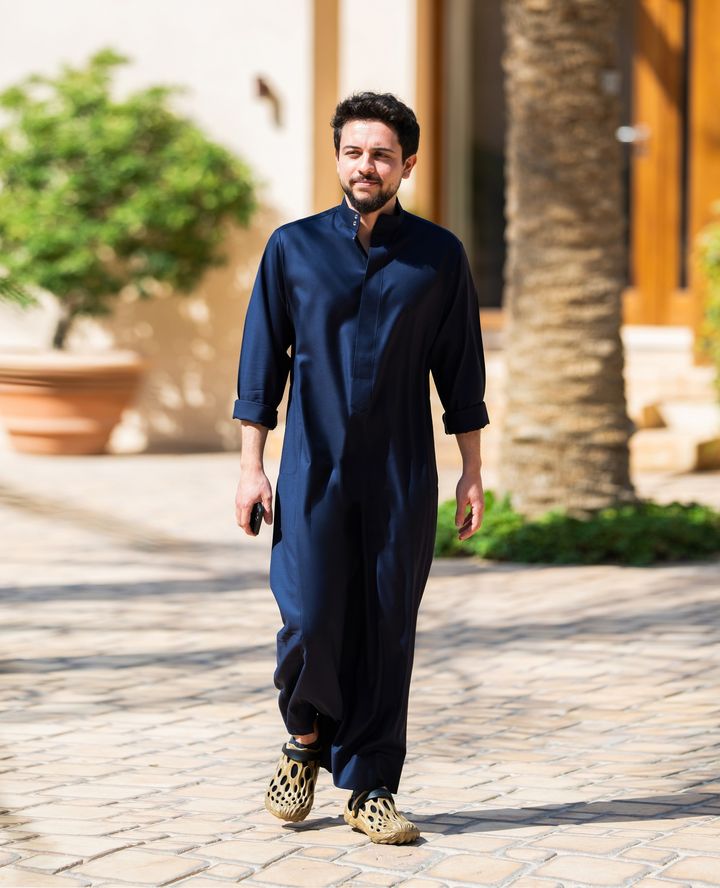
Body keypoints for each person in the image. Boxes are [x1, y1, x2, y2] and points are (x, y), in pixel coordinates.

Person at [233, 91, 489, 845]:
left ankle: (371, 785)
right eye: (353, 152)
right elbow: (260, 365)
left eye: (381, 154)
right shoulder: (292, 248)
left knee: (385, 624)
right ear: (337, 158)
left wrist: (472, 471)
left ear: (408, 164)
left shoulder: (439, 255)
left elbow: (461, 372)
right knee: (309, 616)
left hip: (402, 470)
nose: (365, 165)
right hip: (312, 468)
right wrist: (252, 467)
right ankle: (304, 741)